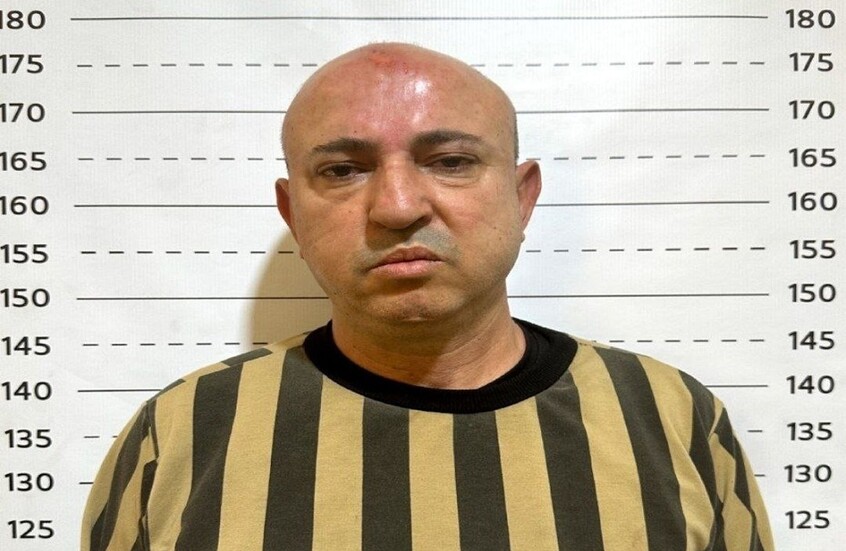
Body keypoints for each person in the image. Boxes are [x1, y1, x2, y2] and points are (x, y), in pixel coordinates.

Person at [82, 43, 773, 551]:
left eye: (450, 161)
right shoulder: (185, 432)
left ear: (522, 196)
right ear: (293, 213)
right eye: (343, 170)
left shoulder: (670, 417)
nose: (398, 205)